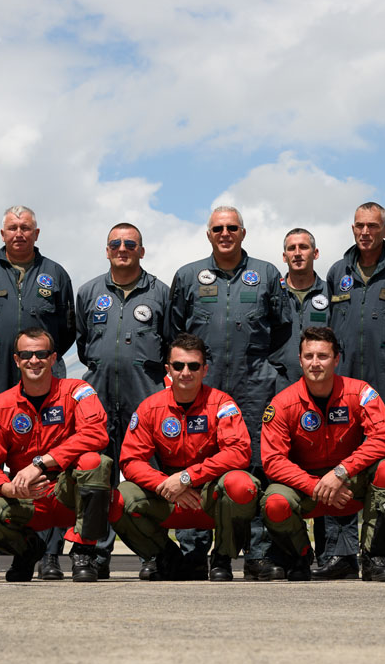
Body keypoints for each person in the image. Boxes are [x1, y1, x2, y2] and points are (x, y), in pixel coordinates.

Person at [166, 206, 291, 580]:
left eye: (232, 227)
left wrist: (268, 372)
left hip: (254, 388)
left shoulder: (266, 274)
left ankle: (257, 553)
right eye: (218, 228)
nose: (225, 233)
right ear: (209, 234)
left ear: (243, 232)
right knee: (196, 465)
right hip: (202, 389)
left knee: (255, 467)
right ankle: (195, 555)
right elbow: (175, 333)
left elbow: (283, 330)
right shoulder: (188, 276)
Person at [0, 205, 77, 581]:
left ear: (36, 233)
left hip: (44, 371)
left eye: (26, 227)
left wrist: (40, 359)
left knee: (54, 460)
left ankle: (51, 555)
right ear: (3, 233)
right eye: (12, 227)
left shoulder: (56, 274)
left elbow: (67, 329)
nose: (19, 233)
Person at [0, 328, 114, 582]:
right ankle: (27, 549)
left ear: (53, 358)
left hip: (68, 493)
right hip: (26, 497)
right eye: (26, 355)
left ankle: (84, 551)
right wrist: (8, 489)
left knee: (94, 462)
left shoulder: (77, 391)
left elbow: (96, 433)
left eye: (41, 354)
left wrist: (41, 463)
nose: (34, 360)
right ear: (16, 360)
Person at [260, 327, 385, 582]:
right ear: (300, 359)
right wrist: (315, 485)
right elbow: (273, 461)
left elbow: (383, 438)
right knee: (274, 502)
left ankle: (374, 557)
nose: (315, 363)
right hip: (305, 486)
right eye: (309, 356)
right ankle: (300, 556)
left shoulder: (360, 392)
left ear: (336, 359)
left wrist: (341, 472)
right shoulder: (282, 404)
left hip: (348, 481)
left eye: (323, 356)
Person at [113, 333, 259, 581]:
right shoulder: (150, 407)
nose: (185, 372)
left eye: (193, 366)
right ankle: (167, 557)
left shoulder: (222, 404)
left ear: (205, 370)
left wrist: (187, 477)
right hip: (169, 495)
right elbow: (130, 461)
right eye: (179, 366)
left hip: (209, 495)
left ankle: (222, 558)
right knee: (119, 499)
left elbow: (239, 452)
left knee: (241, 485)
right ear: (168, 369)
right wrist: (164, 484)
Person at [320, 202, 385, 580]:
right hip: (342, 388)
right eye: (359, 225)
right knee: (338, 464)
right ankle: (339, 553)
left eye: (373, 226)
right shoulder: (337, 272)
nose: (365, 232)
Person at [74, 222, 169, 576]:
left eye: (130, 243)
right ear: (107, 250)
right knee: (98, 475)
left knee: (148, 476)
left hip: (145, 399)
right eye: (115, 243)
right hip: (99, 399)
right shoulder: (88, 292)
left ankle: (152, 554)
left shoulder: (161, 293)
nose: (123, 248)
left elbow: (171, 343)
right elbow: (83, 345)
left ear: (141, 251)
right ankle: (96, 554)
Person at [273, 228, 330, 390]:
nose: (297, 253)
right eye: (292, 248)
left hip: (322, 386)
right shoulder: (272, 294)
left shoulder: (331, 293)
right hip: (280, 387)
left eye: (303, 247)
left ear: (315, 253)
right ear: (284, 256)